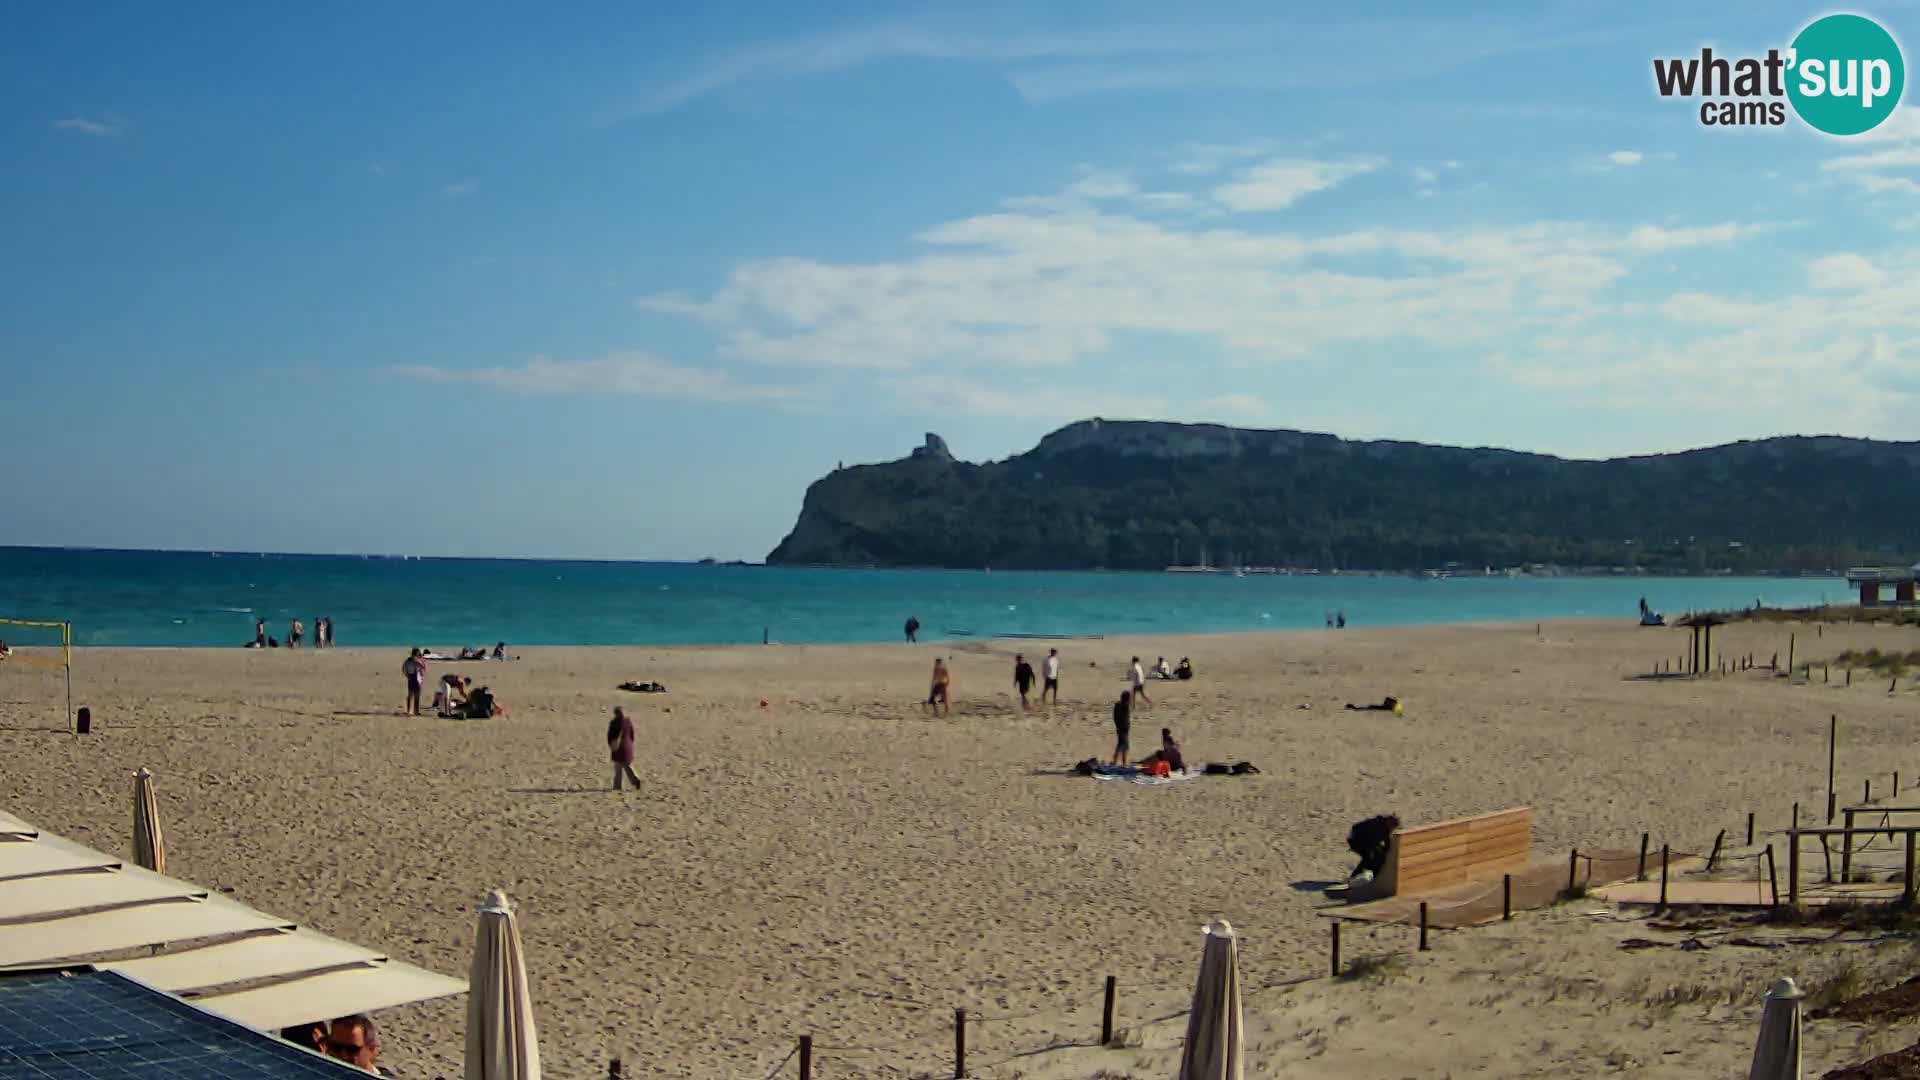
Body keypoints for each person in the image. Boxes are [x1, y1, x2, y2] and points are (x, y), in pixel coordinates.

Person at [608, 706, 641, 790]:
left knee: (618, 768)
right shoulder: (628, 721)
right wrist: (630, 743)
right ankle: (635, 779)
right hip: (628, 746)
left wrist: (611, 746)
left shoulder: (613, 723)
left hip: (618, 748)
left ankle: (617, 786)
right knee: (628, 765)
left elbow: (610, 736)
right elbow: (632, 735)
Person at [1109, 690, 1132, 767]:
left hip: (1120, 728)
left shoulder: (1118, 705)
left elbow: (1115, 717)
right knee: (1123, 746)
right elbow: (1125, 719)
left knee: (1120, 745)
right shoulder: (1124, 706)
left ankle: (1116, 761)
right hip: (1123, 729)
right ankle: (1122, 762)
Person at [401, 649, 426, 716]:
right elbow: (423, 667)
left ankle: (411, 711)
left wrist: (407, 675)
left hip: (412, 678)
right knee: (415, 695)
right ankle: (414, 711)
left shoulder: (408, 660)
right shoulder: (415, 660)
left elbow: (403, 668)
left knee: (412, 695)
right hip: (415, 678)